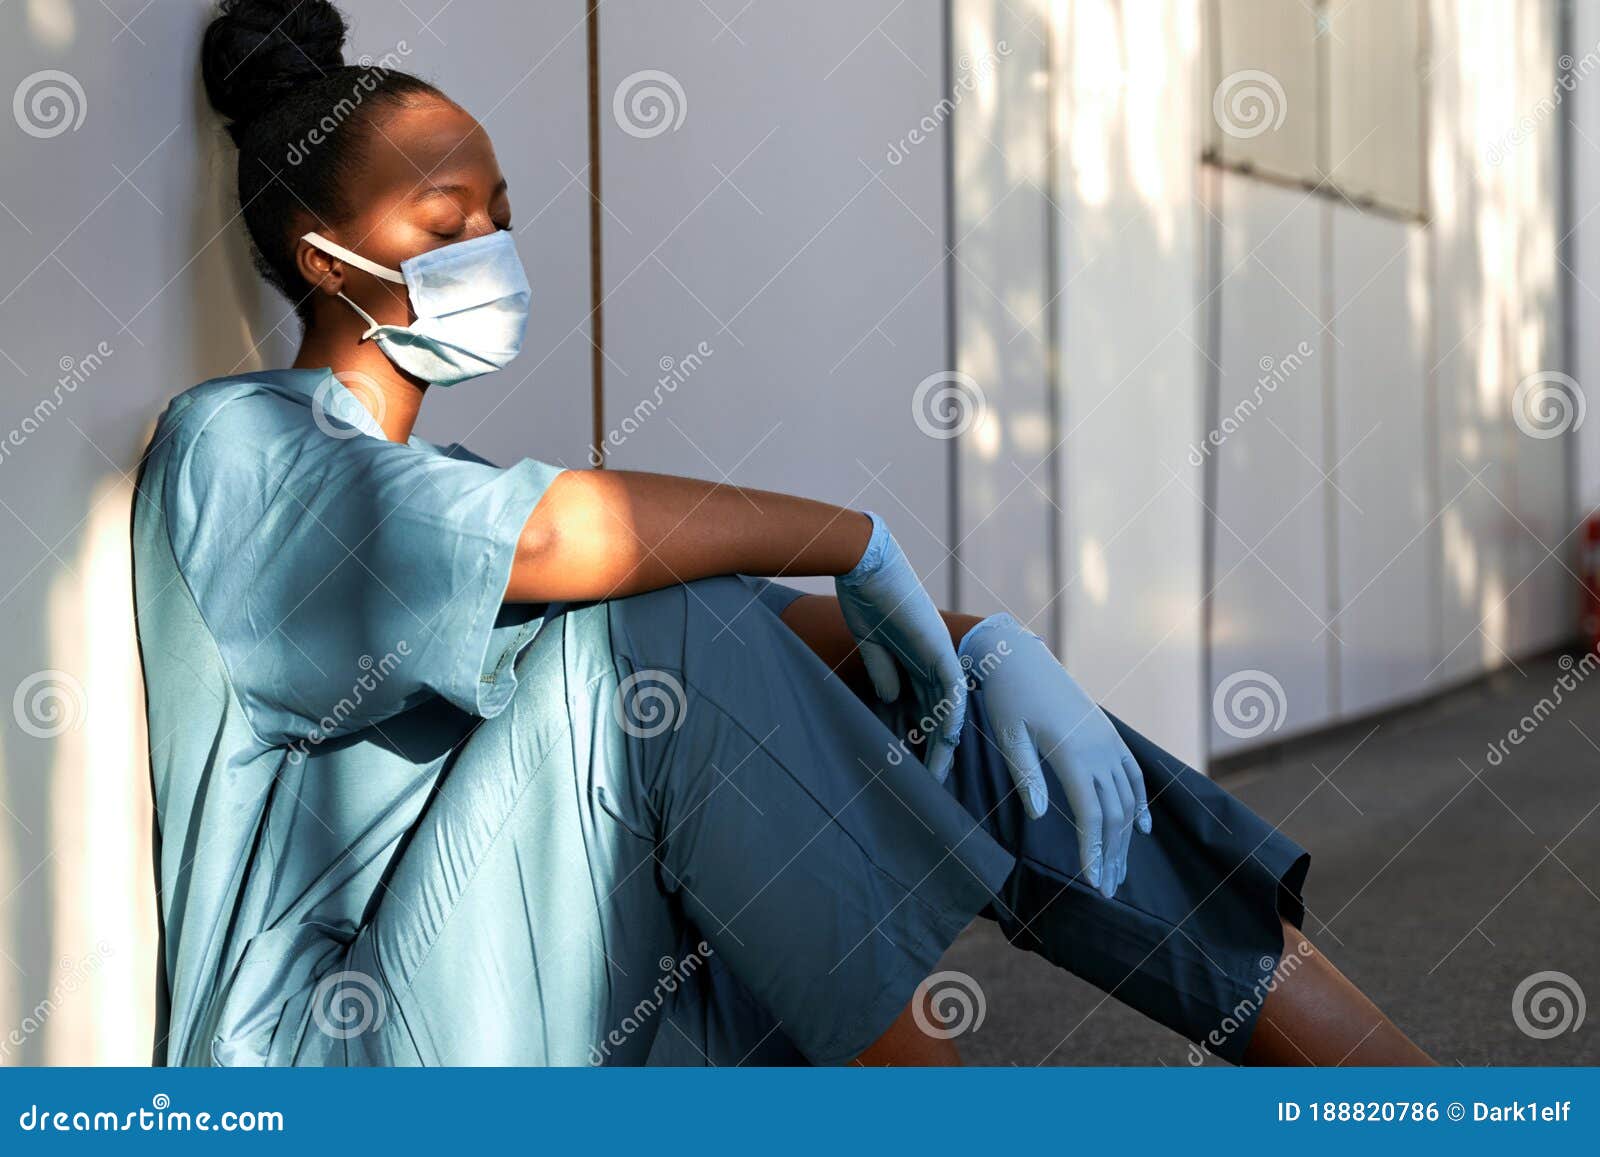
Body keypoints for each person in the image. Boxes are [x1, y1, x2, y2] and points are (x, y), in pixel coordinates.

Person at [132, 0, 1432, 1067]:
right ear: (321, 255)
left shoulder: (446, 483)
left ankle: (1402, 1100)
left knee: (946, 695)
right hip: (336, 1059)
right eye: (442, 222)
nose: (491, 245)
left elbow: (740, 640)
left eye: (500, 212)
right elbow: (569, 549)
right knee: (646, 628)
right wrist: (854, 538)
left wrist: (974, 643)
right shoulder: (242, 446)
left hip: (555, 997)